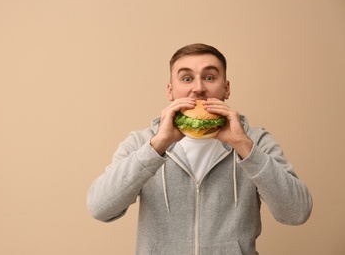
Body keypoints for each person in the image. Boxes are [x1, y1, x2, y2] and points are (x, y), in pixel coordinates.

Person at [87, 43, 313, 255]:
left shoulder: (255, 140)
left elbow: (297, 213)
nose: (198, 88)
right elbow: (100, 208)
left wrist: (243, 146)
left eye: (210, 77)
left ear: (226, 89)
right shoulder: (142, 142)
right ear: (170, 91)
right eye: (186, 78)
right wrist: (157, 147)